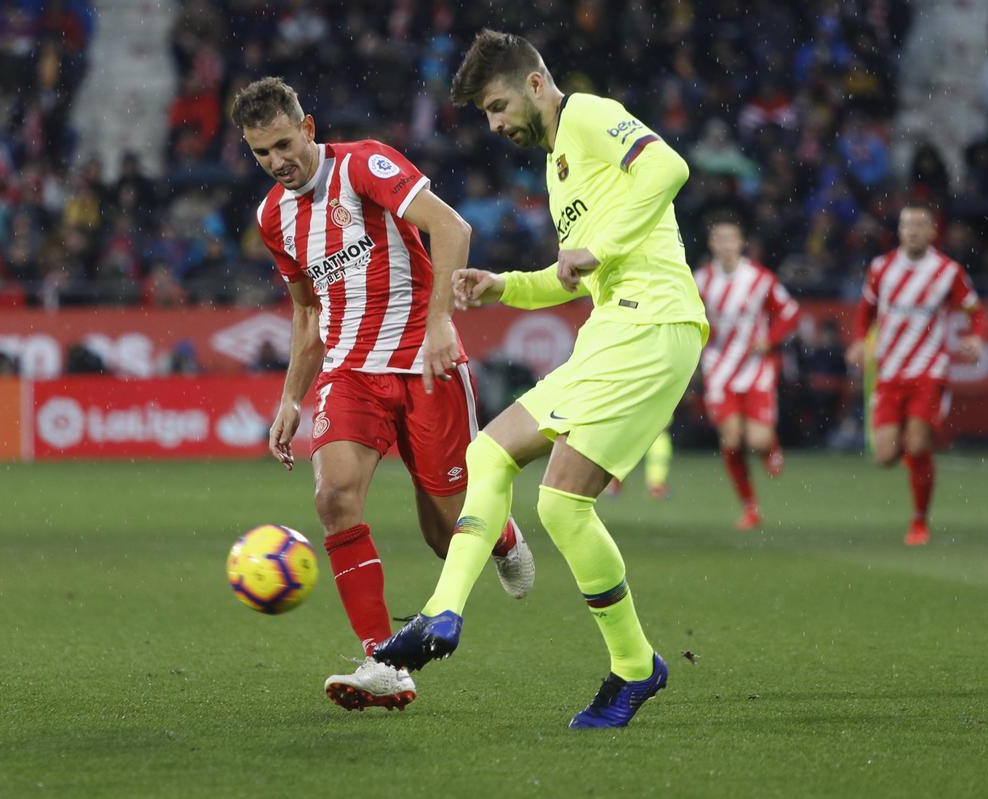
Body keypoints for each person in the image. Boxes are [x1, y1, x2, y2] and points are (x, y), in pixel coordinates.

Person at [373, 30, 708, 729]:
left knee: (551, 498)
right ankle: (446, 613)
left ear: (534, 84)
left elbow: (670, 168)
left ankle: (629, 665)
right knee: (497, 460)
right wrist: (504, 287)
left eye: (497, 106)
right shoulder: (559, 167)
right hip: (616, 326)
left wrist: (603, 247)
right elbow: (571, 275)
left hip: (654, 323)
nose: (494, 125)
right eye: (485, 115)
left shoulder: (585, 115)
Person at [230, 77, 534, 711]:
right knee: (334, 495)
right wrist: (291, 397)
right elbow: (309, 315)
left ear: (308, 128)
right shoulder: (272, 217)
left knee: (446, 529)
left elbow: (452, 230)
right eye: (261, 153)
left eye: (284, 144)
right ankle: (383, 662)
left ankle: (499, 534)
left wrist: (441, 323)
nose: (277, 162)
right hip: (350, 371)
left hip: (425, 364)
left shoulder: (365, 163)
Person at [846, 202, 988, 546]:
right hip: (890, 372)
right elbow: (865, 313)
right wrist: (859, 343)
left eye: (919, 224)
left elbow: (975, 311)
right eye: (907, 224)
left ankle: (919, 521)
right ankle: (918, 462)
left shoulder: (947, 271)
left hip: (929, 370)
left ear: (932, 231)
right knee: (885, 456)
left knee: (918, 444)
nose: (912, 230)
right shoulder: (881, 268)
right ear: (899, 230)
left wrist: (976, 339)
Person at [693, 214, 800, 530]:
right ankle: (750, 507)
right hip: (719, 369)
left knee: (757, 440)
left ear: (742, 244)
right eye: (720, 239)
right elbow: (688, 318)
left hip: (755, 369)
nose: (726, 246)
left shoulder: (760, 279)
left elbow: (790, 314)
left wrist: (770, 340)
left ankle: (771, 446)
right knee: (732, 438)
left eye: (731, 239)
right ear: (712, 244)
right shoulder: (700, 281)